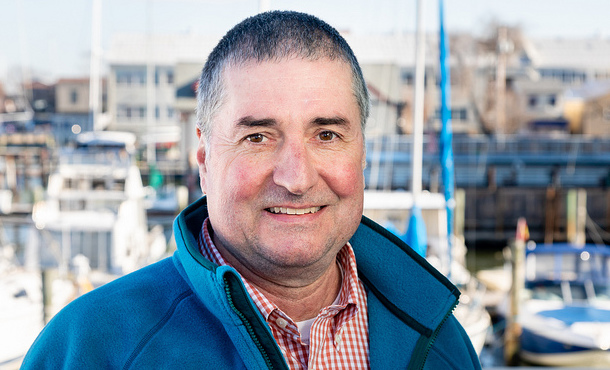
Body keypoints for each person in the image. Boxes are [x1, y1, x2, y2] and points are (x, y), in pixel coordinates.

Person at [22, 11, 480, 369]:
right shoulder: (89, 349)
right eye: (257, 137)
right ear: (204, 158)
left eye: (326, 135)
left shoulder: (442, 343)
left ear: (361, 154)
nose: (296, 178)